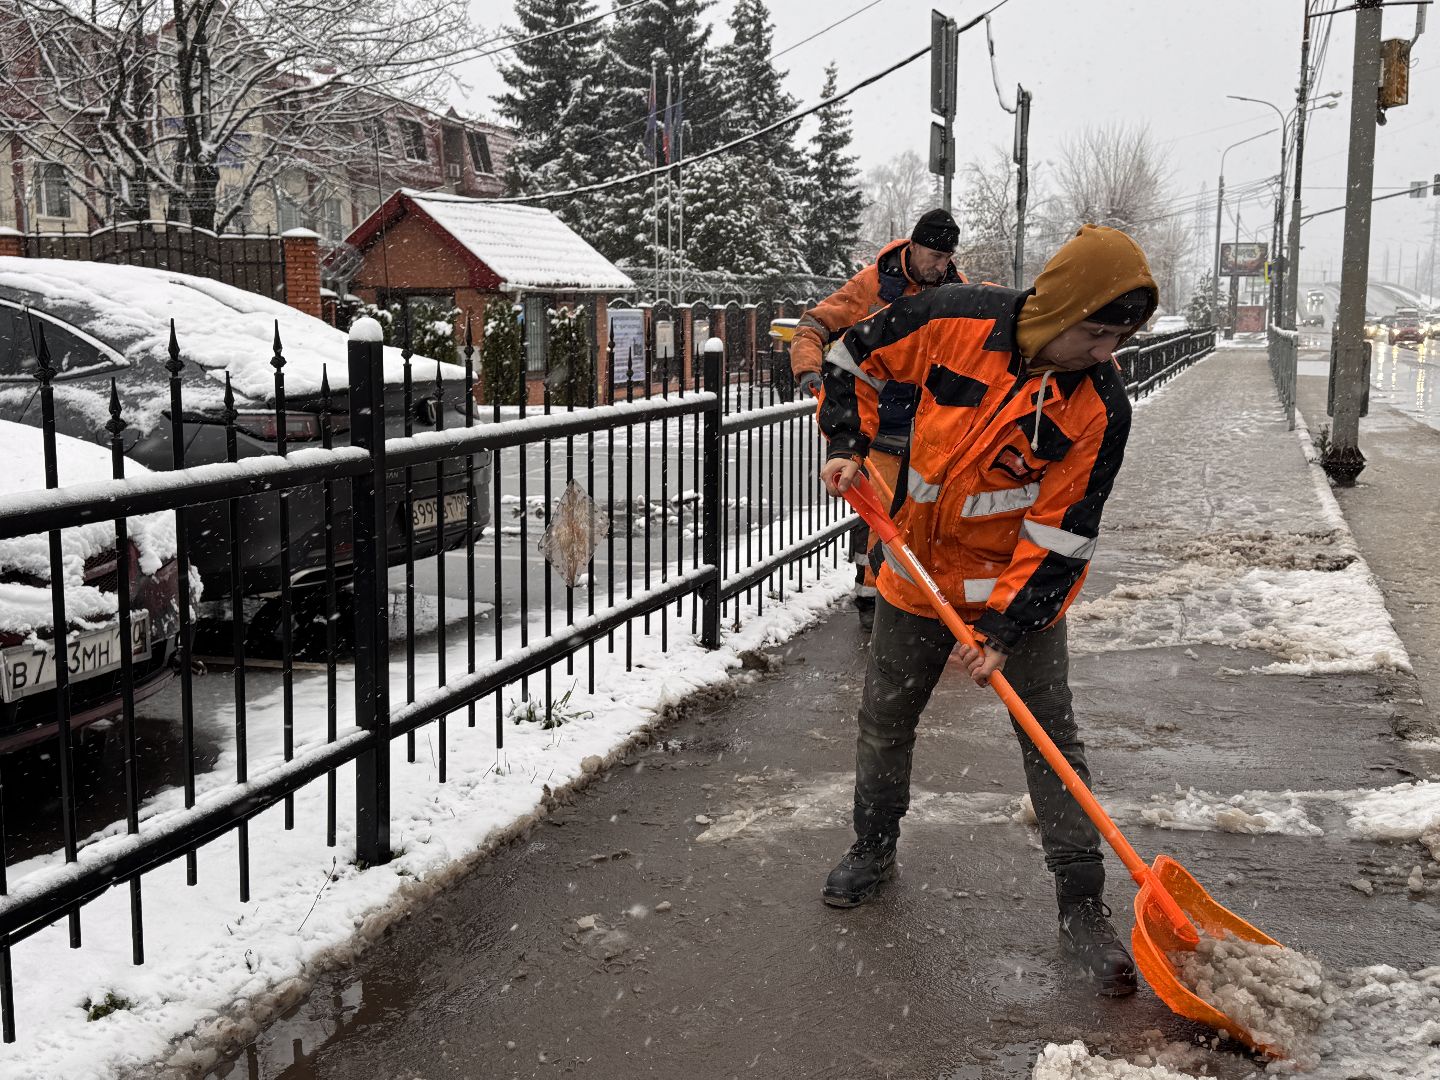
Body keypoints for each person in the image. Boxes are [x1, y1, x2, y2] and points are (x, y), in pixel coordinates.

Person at [814, 224, 1159, 998]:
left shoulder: (1099, 407)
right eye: (1097, 331)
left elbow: (1064, 534)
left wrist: (1005, 629)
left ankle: (1081, 903)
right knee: (886, 719)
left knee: (1051, 742)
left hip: (1015, 602)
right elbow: (849, 356)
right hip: (911, 575)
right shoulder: (948, 316)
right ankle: (873, 846)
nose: (1106, 351)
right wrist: (845, 440)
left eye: (1121, 338)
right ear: (1059, 306)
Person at [790, 209, 967, 632]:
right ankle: (872, 602)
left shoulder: (955, 293)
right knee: (879, 517)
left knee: (924, 517)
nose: (940, 267)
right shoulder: (870, 286)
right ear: (914, 246)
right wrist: (808, 370)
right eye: (934, 256)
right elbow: (814, 324)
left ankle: (913, 599)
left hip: (929, 428)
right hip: (876, 425)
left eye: (947, 258)